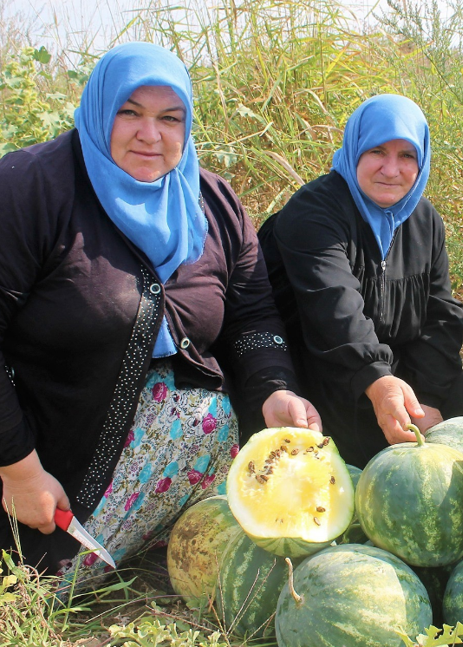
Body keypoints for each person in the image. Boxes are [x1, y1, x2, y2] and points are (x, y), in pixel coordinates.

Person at [0, 42, 320, 586]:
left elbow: (252, 317)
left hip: (182, 473)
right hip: (48, 461)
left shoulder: (214, 203)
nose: (151, 135)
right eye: (130, 112)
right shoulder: (29, 188)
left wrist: (274, 389)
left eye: (170, 118)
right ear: (100, 109)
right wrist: (19, 470)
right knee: (33, 581)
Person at [259, 94, 463, 468]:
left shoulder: (424, 220)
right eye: (377, 151)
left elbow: (441, 315)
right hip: (328, 368)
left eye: (407, 156)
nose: (391, 169)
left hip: (398, 366)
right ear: (355, 150)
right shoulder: (313, 213)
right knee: (369, 464)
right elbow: (335, 309)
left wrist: (426, 397)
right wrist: (378, 381)